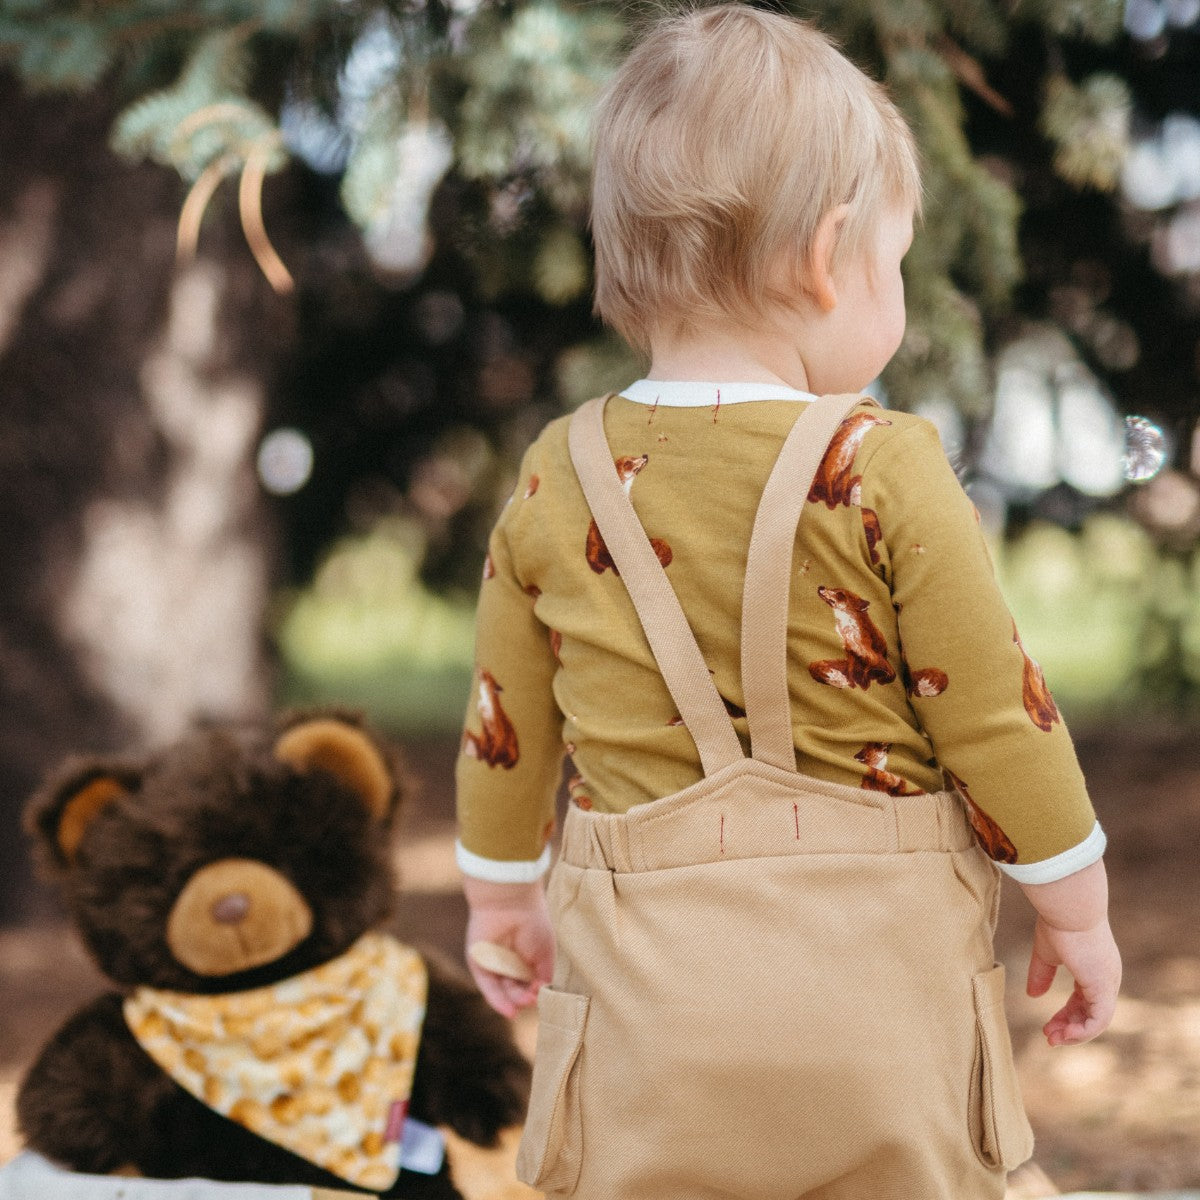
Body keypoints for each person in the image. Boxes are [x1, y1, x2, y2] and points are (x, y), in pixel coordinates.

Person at [454, 6, 1122, 1198]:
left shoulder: (561, 470)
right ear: (828, 257)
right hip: (882, 1022)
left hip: (649, 1020)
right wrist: (1072, 905)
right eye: (897, 261)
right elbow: (994, 714)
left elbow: (506, 721)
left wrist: (500, 896)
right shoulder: (884, 464)